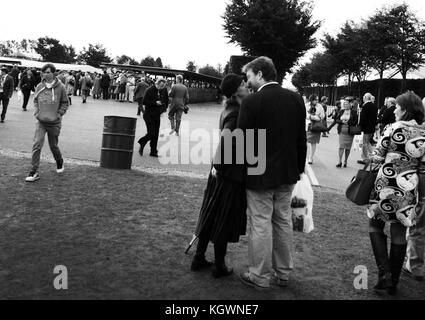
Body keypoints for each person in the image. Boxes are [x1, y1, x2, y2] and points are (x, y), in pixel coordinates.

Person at [237, 56, 307, 289]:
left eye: (248, 76)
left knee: (260, 223)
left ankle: (259, 275)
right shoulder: (296, 99)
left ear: (259, 74)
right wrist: (298, 169)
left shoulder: (251, 102)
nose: (247, 82)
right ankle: (283, 272)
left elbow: (242, 142)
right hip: (287, 173)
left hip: (260, 175)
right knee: (283, 221)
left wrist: (236, 172)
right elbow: (301, 139)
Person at [367, 91, 425, 295]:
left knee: (376, 225)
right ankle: (394, 281)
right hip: (408, 188)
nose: (395, 110)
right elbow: (423, 168)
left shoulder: (393, 128)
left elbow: (377, 156)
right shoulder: (423, 133)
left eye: (398, 107)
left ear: (406, 110)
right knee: (399, 231)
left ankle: (384, 274)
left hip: (385, 183)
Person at [191, 74, 249, 278]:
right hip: (228, 172)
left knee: (210, 211)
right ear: (235, 91)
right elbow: (228, 141)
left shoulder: (229, 108)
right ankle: (219, 265)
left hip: (221, 169)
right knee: (222, 216)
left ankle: (199, 257)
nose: (246, 84)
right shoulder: (235, 112)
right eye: (242, 83)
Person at [25, 63, 69, 182]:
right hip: (41, 121)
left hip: (54, 123)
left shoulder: (61, 87)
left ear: (54, 73)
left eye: (48, 72)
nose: (45, 74)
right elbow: (35, 100)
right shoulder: (39, 86)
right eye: (44, 72)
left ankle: (59, 161)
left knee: (53, 146)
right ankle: (34, 171)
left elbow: (65, 102)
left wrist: (59, 114)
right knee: (37, 144)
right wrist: (36, 112)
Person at [137, 78, 167, 157]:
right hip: (148, 115)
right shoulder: (149, 90)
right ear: (157, 83)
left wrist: (163, 108)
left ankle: (153, 151)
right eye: (160, 86)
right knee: (151, 133)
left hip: (157, 115)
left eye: (163, 86)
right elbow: (144, 102)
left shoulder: (162, 91)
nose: (161, 88)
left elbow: (165, 100)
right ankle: (142, 141)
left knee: (156, 134)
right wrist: (155, 102)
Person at [334, 98, 359, 168]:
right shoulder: (341, 111)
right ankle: (339, 161)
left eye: (346, 104)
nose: (345, 105)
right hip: (342, 131)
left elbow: (355, 122)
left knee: (347, 148)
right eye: (344, 104)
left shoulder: (354, 112)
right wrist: (342, 121)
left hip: (350, 132)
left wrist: (348, 122)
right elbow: (337, 120)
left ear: (350, 105)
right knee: (341, 146)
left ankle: (345, 161)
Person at [358, 93, 378, 165]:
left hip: (366, 127)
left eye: (363, 97)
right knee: (368, 143)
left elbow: (363, 118)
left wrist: (359, 125)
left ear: (366, 97)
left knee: (365, 143)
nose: (363, 98)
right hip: (372, 128)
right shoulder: (374, 106)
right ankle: (373, 157)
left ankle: (365, 158)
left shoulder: (365, 106)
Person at [306, 94, 325, 164]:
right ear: (311, 99)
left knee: (313, 142)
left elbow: (322, 116)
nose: (317, 101)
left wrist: (315, 117)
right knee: (304, 141)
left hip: (316, 126)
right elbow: (304, 114)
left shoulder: (319, 106)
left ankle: (311, 158)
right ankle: (304, 156)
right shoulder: (306, 105)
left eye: (317, 99)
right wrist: (311, 117)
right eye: (315, 99)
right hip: (307, 125)